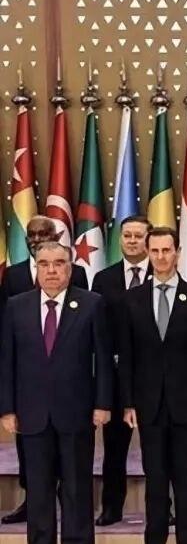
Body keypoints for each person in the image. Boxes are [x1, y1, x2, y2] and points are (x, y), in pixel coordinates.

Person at [0, 243, 111, 544]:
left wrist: (103, 404)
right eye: (44, 264)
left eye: (59, 263)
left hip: (76, 412)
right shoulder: (17, 306)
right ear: (36, 268)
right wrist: (7, 409)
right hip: (31, 414)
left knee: (76, 488)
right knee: (38, 489)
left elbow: (104, 359)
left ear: (70, 268)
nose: (51, 270)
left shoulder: (91, 304)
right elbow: (7, 362)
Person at [119, 226, 187, 544]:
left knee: (186, 483)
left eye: (166, 250)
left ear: (177, 252)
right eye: (155, 251)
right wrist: (128, 402)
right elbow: (126, 357)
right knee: (156, 484)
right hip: (148, 407)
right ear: (147, 253)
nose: (161, 257)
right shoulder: (132, 299)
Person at [0, 214, 89, 526]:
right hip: (31, 397)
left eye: (44, 234)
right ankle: (35, 520)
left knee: (73, 475)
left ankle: (73, 530)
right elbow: (8, 346)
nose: (37, 239)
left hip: (70, 397)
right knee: (34, 469)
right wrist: (7, 406)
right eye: (33, 235)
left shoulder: (81, 283)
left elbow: (89, 340)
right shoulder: (14, 283)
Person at [90, 214, 152, 527]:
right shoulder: (104, 279)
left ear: (149, 240)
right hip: (116, 376)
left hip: (154, 376)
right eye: (127, 235)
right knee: (114, 448)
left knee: (158, 448)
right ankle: (111, 507)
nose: (132, 241)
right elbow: (99, 332)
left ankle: (162, 507)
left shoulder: (164, 272)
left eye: (138, 236)